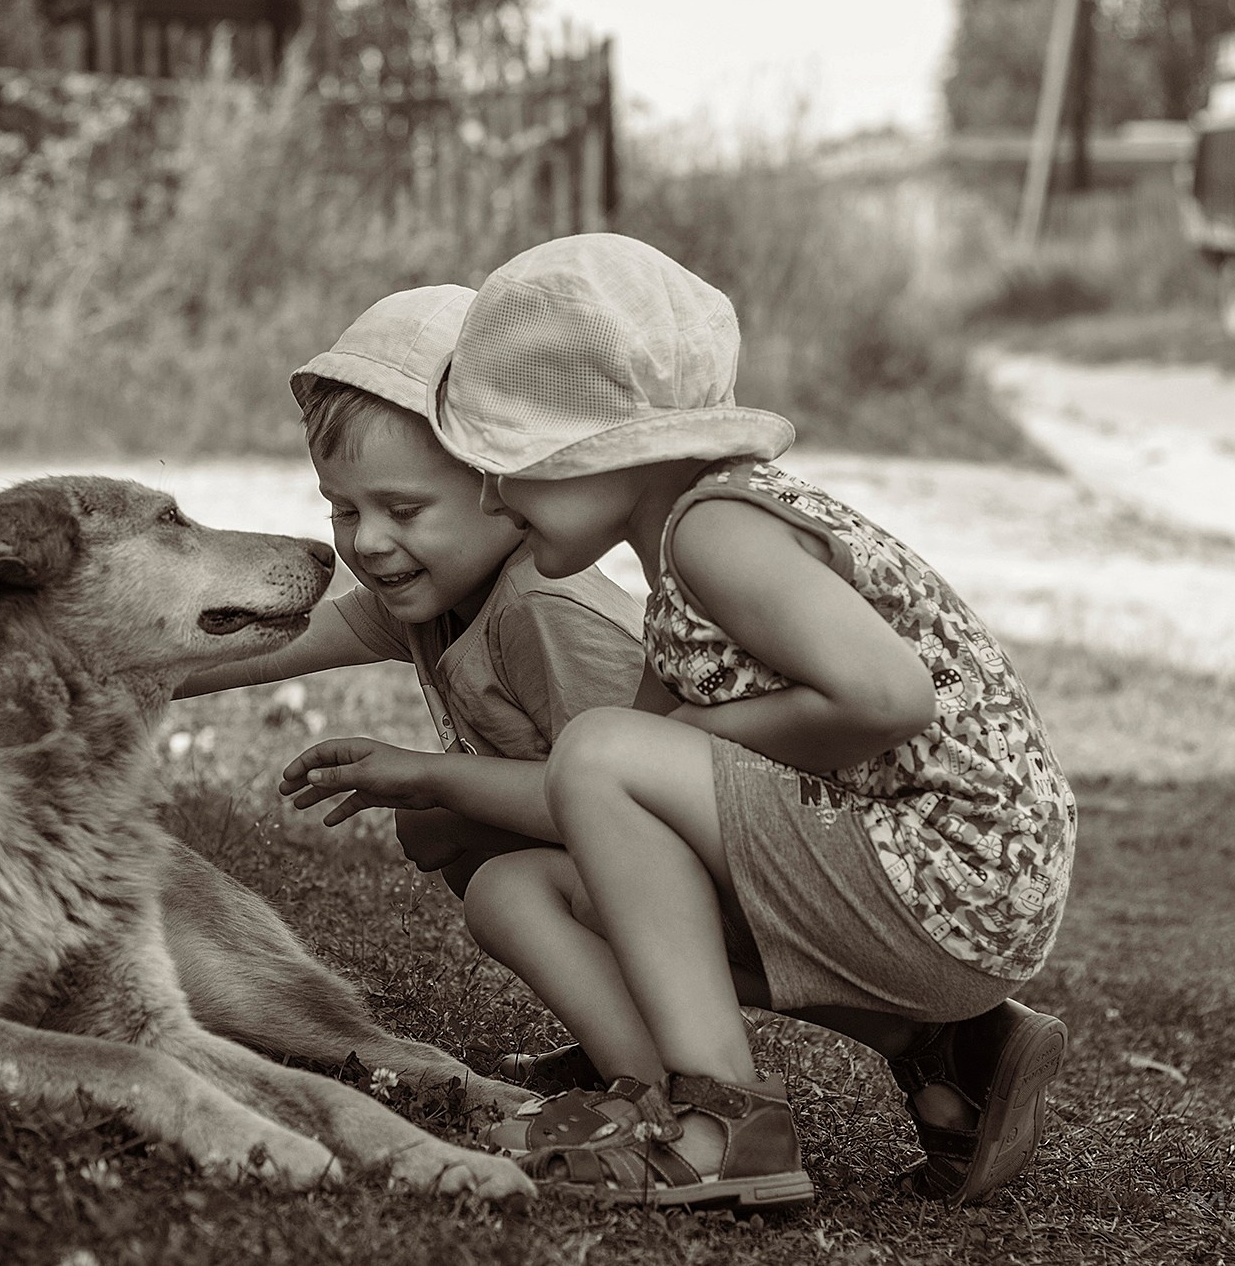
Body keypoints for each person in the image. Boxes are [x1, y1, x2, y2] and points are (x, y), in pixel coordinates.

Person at [421, 233, 1076, 1210]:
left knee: (606, 751)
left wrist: (699, 737)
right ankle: (943, 1053)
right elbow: (586, 798)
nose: (486, 494)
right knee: (523, 889)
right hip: (912, 876)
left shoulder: (713, 529)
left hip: (958, 870)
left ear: (617, 450)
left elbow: (886, 698)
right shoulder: (679, 571)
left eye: (505, 460)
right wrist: (421, 777)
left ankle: (719, 1128)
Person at [176, 285, 646, 921]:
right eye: (343, 509)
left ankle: (663, 999)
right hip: (616, 844)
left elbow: (643, 803)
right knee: (434, 829)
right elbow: (291, 640)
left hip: (691, 873)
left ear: (506, 488)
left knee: (464, 843)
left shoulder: (546, 611)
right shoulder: (440, 593)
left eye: (403, 510)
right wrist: (129, 671)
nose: (366, 541)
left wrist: (427, 774)